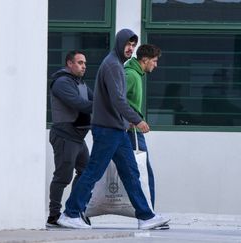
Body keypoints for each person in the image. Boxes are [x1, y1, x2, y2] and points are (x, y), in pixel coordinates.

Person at [57, 29, 170, 229]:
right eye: (128, 44)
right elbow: (118, 99)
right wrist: (137, 119)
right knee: (94, 172)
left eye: (133, 45)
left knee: (130, 172)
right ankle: (70, 213)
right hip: (108, 129)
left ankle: (145, 216)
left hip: (116, 129)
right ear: (119, 43)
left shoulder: (116, 65)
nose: (130, 48)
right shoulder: (112, 66)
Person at [124, 44, 169, 230]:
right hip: (130, 131)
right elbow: (115, 98)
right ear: (145, 60)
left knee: (140, 173)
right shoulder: (131, 75)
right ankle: (148, 216)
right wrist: (130, 119)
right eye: (155, 61)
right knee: (143, 173)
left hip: (131, 130)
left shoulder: (136, 74)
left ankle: (148, 215)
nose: (156, 65)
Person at [47, 50, 93, 227]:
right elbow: (79, 104)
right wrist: (103, 107)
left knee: (87, 172)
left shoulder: (79, 82)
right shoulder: (61, 83)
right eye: (80, 63)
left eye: (85, 63)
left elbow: (93, 98)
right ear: (69, 63)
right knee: (62, 177)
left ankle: (74, 209)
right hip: (65, 135)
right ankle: (54, 215)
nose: (84, 66)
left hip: (78, 137)